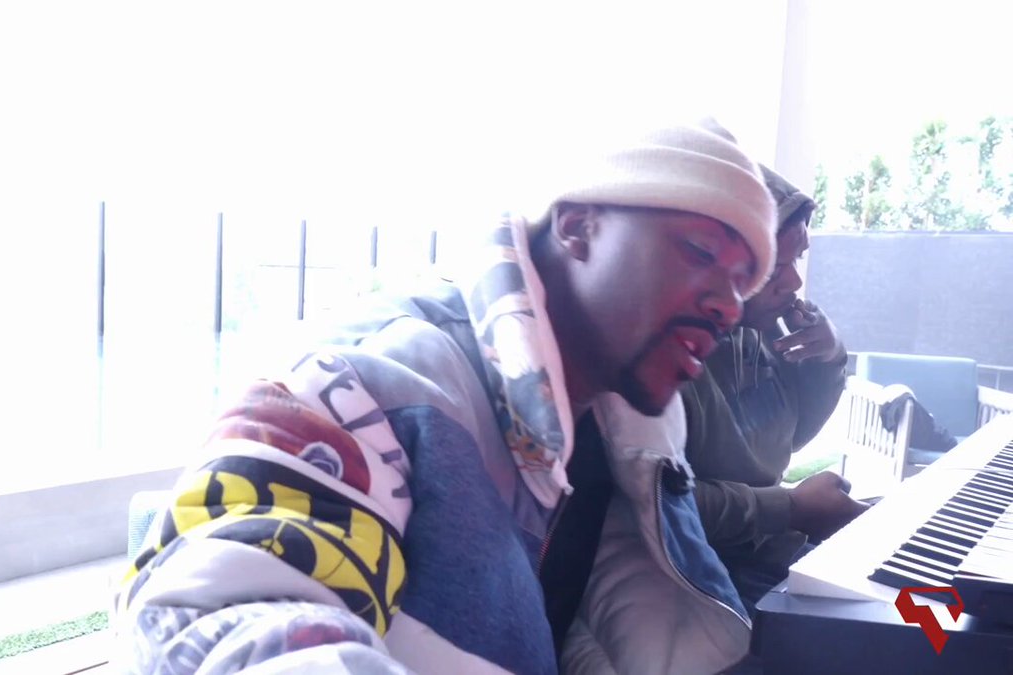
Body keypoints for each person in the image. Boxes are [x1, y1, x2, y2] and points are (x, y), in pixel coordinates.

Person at [111, 122, 777, 674]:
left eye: (743, 282)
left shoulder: (632, 431)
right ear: (578, 227)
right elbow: (218, 614)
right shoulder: (373, 380)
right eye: (700, 252)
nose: (730, 305)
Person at [682, 158, 868, 613]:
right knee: (912, 633)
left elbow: (792, 437)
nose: (796, 280)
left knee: (933, 610)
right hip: (716, 574)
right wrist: (791, 508)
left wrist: (827, 360)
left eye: (797, 258)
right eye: (774, 266)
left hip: (778, 548)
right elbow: (664, 503)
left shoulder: (761, 331)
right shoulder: (675, 355)